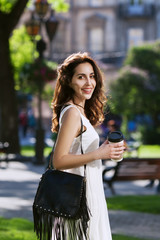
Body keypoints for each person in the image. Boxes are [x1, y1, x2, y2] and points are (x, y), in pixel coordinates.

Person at [51, 52, 125, 240]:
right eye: (81, 77)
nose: (88, 83)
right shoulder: (72, 113)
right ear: (68, 80)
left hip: (89, 191)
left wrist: (108, 150)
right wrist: (99, 153)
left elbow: (81, 151)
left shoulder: (80, 111)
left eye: (91, 76)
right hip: (79, 196)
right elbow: (58, 161)